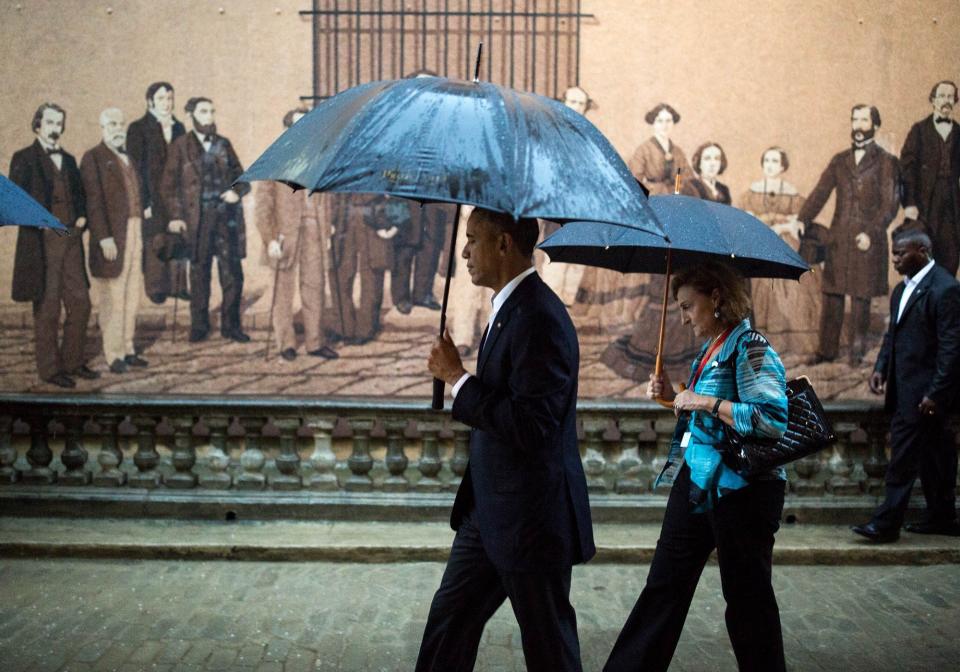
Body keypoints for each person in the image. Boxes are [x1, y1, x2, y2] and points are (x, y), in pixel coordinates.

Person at [419, 208, 595, 671]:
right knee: (448, 624)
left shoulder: (539, 317)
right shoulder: (510, 308)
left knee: (549, 646)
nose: (464, 252)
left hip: (530, 519)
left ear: (503, 245)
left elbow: (531, 423)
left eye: (473, 239)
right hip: (490, 512)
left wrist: (458, 380)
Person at [604, 261, 789, 672]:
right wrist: (674, 396)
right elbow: (703, 420)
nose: (684, 319)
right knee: (663, 587)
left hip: (743, 493)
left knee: (747, 601)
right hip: (697, 484)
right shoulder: (711, 349)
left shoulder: (750, 346)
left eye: (689, 306)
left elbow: (772, 419)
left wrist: (702, 401)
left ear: (717, 297)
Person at [854, 229, 960, 542]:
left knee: (901, 458)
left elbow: (952, 349)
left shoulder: (945, 289)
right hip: (907, 391)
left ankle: (886, 525)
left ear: (923, 251)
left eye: (900, 254)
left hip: (926, 395)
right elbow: (893, 335)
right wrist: (880, 367)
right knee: (937, 457)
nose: (894, 259)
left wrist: (936, 394)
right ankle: (942, 517)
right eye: (894, 253)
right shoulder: (901, 291)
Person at [798, 104, 901, 365]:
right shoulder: (840, 159)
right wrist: (802, 220)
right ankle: (826, 351)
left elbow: (890, 204)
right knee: (832, 294)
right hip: (839, 237)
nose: (857, 125)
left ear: (875, 126)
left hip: (868, 239)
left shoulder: (887, 161)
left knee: (860, 297)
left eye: (864, 120)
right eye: (854, 119)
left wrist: (872, 232)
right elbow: (820, 192)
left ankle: (856, 352)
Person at [10, 102, 98, 388]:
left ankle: (73, 362)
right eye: (49, 122)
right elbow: (13, 203)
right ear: (37, 124)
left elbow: (80, 195)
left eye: (59, 123)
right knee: (48, 308)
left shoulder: (70, 160)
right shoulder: (23, 158)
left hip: (72, 240)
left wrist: (83, 216)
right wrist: (40, 221)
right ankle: (50, 370)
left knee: (81, 303)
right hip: (43, 243)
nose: (55, 128)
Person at [161, 96, 250, 343]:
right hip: (197, 220)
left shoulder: (224, 144)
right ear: (190, 116)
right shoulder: (179, 147)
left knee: (232, 273)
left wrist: (236, 192)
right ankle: (199, 326)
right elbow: (168, 187)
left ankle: (231, 326)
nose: (209, 116)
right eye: (203, 112)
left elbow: (243, 178)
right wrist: (176, 216)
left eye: (212, 111)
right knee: (199, 273)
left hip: (225, 218)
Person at [253, 108, 339, 361]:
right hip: (285, 234)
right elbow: (263, 205)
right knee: (283, 290)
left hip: (314, 229)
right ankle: (286, 343)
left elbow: (328, 198)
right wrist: (269, 239)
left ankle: (315, 342)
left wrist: (328, 227)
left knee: (315, 287)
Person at [79, 108, 149, 374]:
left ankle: (128, 348)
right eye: (112, 124)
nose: (118, 129)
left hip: (134, 229)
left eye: (121, 124)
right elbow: (93, 202)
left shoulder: (128, 158)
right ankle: (114, 353)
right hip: (111, 236)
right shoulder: (93, 158)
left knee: (132, 293)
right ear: (102, 128)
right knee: (113, 296)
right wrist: (104, 237)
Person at [740, 146, 821, 355]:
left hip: (786, 243)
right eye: (767, 161)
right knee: (762, 290)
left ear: (783, 166)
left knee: (792, 291)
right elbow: (746, 219)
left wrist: (781, 227)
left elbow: (798, 221)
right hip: (759, 243)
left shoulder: (792, 193)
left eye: (775, 161)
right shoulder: (752, 192)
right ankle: (763, 342)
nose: (770, 165)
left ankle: (791, 345)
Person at [126, 81, 188, 304]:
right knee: (155, 239)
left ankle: (178, 285)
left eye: (170, 98)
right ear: (150, 101)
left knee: (177, 235)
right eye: (162, 98)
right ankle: (156, 288)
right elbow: (135, 168)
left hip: (175, 193)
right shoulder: (138, 128)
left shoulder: (179, 127)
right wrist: (144, 201)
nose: (167, 103)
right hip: (151, 194)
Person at [900, 80, 960, 275]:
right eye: (942, 96)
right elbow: (906, 169)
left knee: (950, 257)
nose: (946, 101)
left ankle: (944, 302)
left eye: (950, 97)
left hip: (952, 205)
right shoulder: (919, 131)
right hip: (925, 204)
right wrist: (909, 203)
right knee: (923, 257)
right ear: (933, 100)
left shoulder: (959, 132)